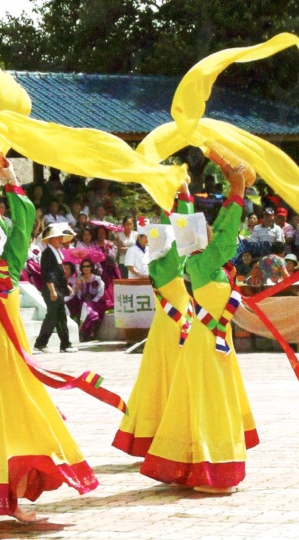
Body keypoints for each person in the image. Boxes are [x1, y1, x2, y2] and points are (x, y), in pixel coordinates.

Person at [0, 164, 100, 531]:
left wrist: (11, 181)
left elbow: (23, 224)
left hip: (16, 362)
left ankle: (11, 498)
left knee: (24, 424)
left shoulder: (10, 268)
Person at [141, 158, 256, 494]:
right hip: (207, 347)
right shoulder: (202, 261)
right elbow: (226, 233)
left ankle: (198, 467)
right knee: (210, 404)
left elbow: (203, 229)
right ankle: (211, 471)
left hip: (208, 344)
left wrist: (185, 193)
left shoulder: (202, 262)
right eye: (203, 227)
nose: (209, 228)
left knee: (203, 403)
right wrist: (237, 190)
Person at [113, 184, 195, 457]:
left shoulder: (156, 264)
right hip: (176, 329)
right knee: (178, 380)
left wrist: (166, 200)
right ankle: (179, 435)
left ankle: (153, 434)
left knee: (156, 382)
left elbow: (169, 229)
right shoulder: (172, 263)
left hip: (161, 328)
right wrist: (184, 196)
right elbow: (183, 228)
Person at [34, 222, 78, 353]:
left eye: (60, 237)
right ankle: (41, 343)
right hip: (52, 290)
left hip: (58, 289)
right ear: (51, 240)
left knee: (60, 317)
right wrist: (52, 291)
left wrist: (65, 286)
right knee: (52, 317)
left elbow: (58, 273)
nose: (60, 239)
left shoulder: (56, 253)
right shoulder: (48, 254)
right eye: (57, 237)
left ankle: (65, 344)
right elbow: (48, 274)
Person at [69, 260, 106, 341]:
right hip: (82, 302)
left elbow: (100, 293)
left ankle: (82, 330)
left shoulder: (97, 278)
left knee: (86, 307)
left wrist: (92, 303)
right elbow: (77, 295)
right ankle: (83, 331)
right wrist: (78, 287)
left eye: (88, 266)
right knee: (83, 306)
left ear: (91, 267)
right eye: (83, 266)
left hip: (95, 302)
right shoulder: (79, 279)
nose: (86, 268)